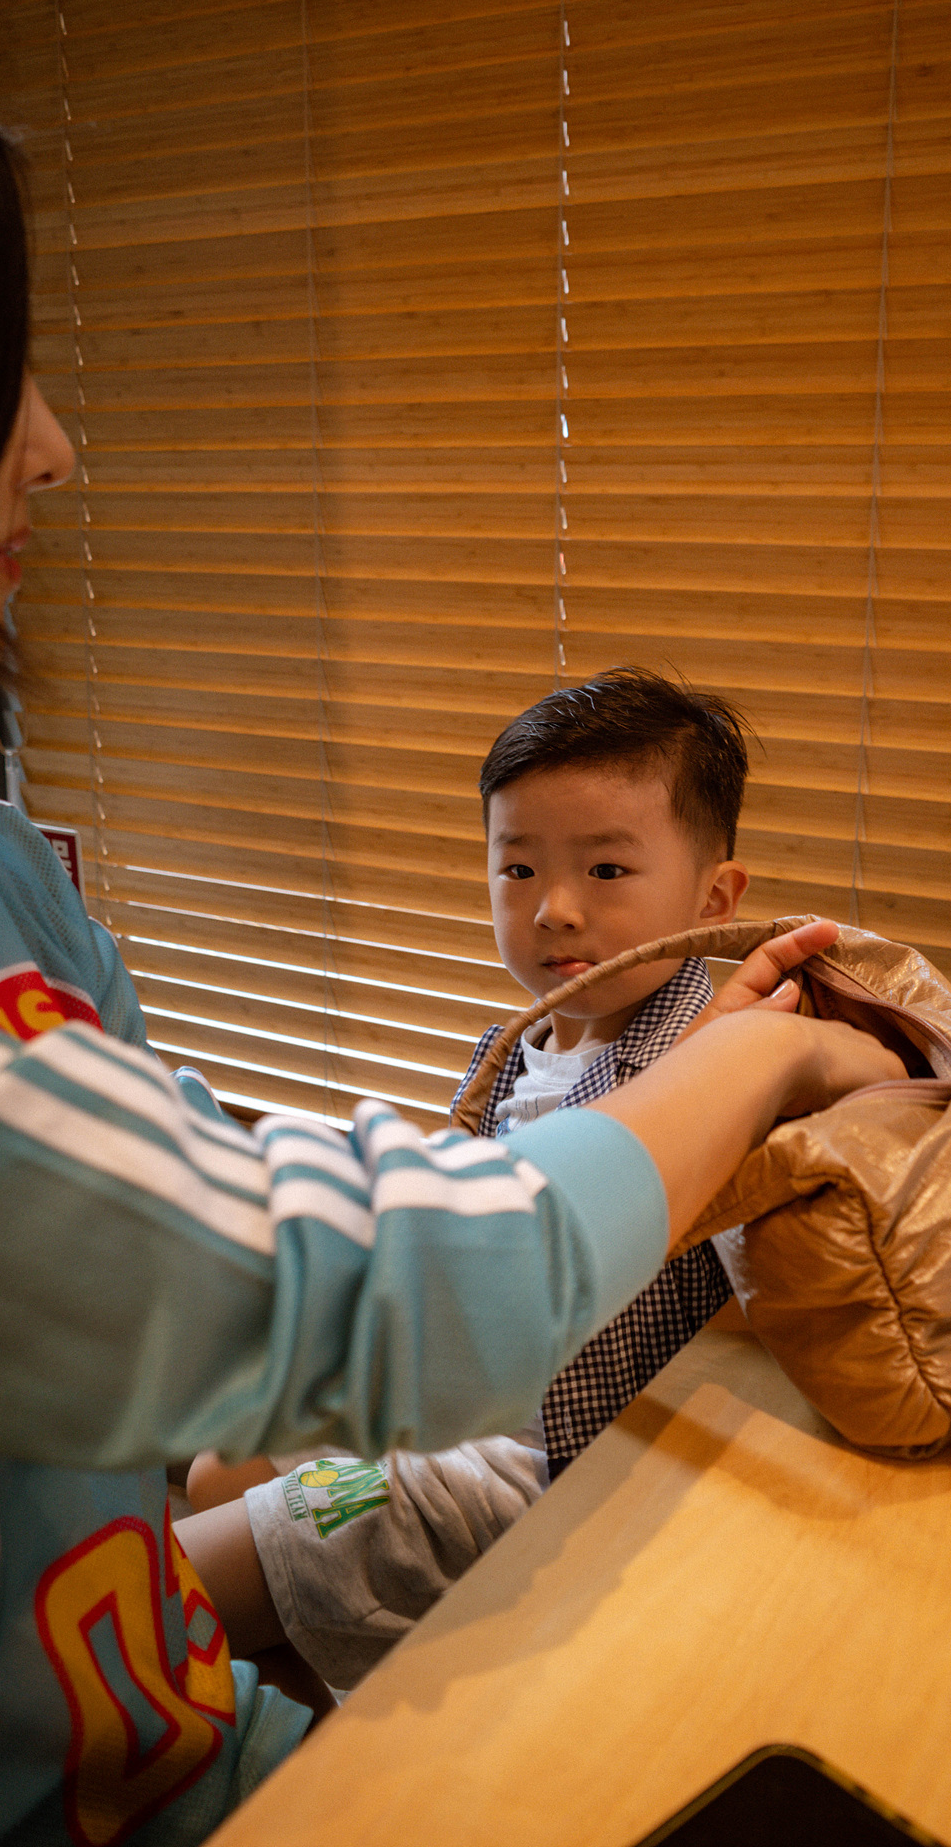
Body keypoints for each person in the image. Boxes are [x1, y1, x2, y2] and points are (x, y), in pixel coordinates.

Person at [0, 79, 905, 1844]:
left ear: (715, 884)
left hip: (228, 1655)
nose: (56, 447)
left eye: (604, 871)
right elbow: (366, 1267)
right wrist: (761, 1055)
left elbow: (237, 1223)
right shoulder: (566, 1044)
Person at [179, 670, 799, 1689]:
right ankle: (319, 1692)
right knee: (217, 1468)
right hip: (457, 1381)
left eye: (606, 868)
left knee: (184, 1586)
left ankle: (309, 1712)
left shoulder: (710, 1055)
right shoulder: (516, 1044)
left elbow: (762, 1289)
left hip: (537, 1453)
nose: (555, 910)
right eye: (518, 869)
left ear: (713, 897)